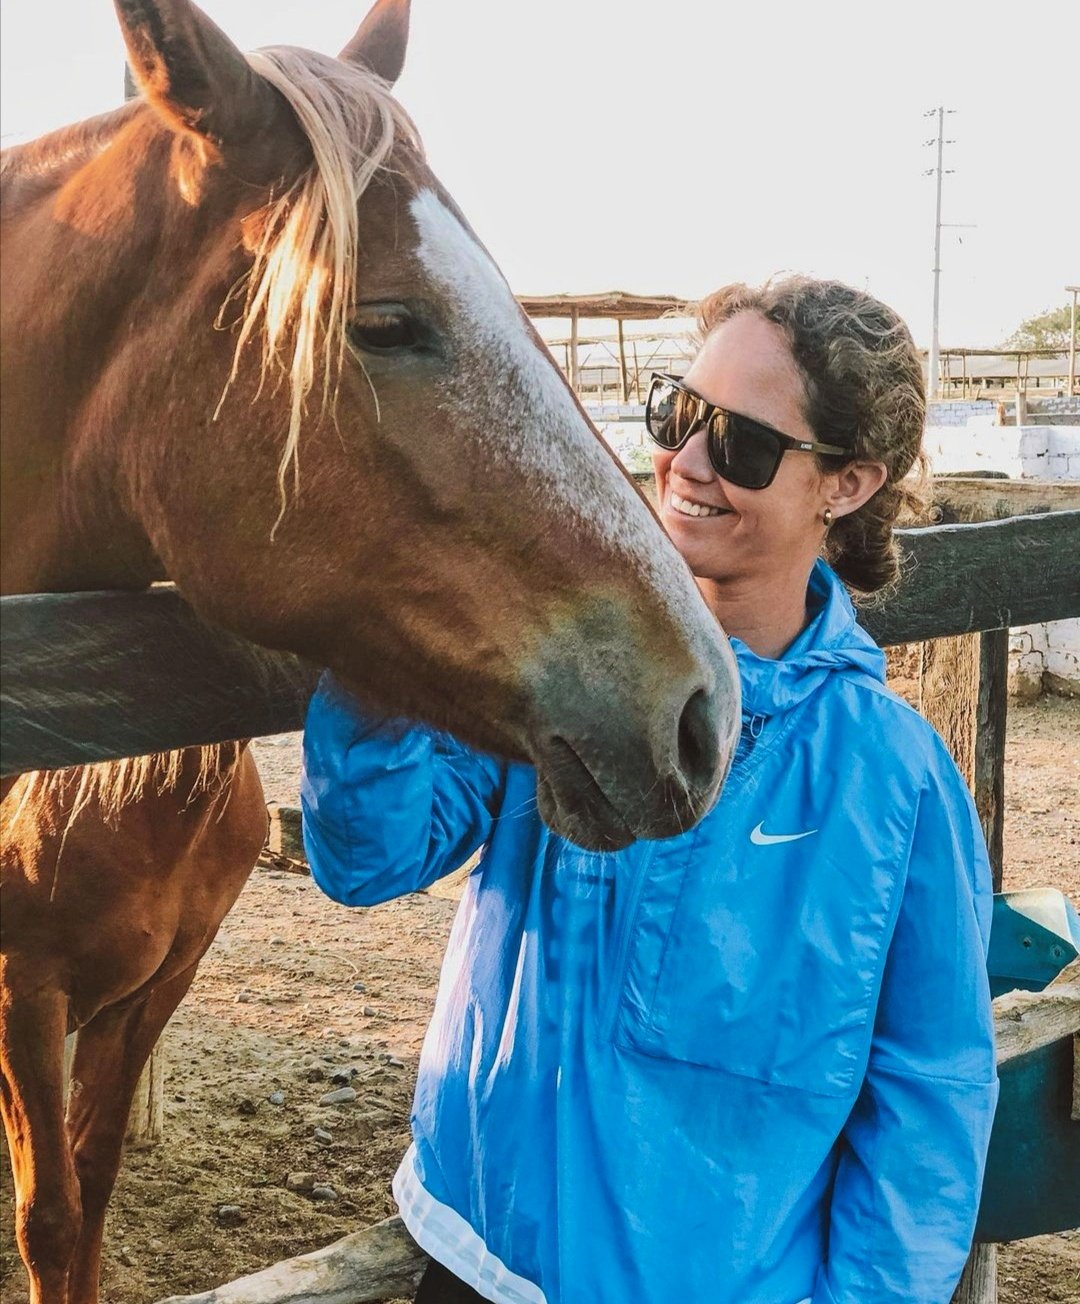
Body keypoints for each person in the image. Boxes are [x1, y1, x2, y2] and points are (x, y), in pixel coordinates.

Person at [301, 276, 999, 1304]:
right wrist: (379, 633)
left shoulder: (892, 783)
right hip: (476, 1259)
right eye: (678, 413)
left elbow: (929, 1094)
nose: (688, 462)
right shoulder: (553, 670)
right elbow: (369, 855)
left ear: (846, 484)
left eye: (746, 444)